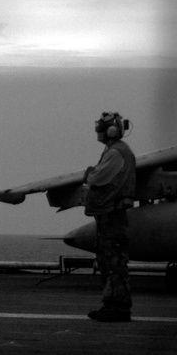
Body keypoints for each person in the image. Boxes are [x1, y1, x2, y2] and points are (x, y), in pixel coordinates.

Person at [83, 112, 136, 322]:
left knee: (114, 262)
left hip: (112, 214)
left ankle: (119, 308)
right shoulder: (115, 151)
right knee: (108, 261)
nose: (99, 131)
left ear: (112, 130)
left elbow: (98, 177)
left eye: (102, 127)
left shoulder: (117, 152)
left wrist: (89, 173)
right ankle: (111, 305)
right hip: (109, 214)